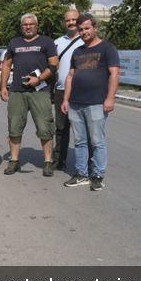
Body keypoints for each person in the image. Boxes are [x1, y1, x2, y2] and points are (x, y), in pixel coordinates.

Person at [61, 13, 120, 191]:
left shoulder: (107, 48)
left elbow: (114, 74)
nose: (84, 32)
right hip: (76, 103)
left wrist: (110, 98)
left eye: (87, 28)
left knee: (97, 141)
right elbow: (70, 76)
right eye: (81, 30)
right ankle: (82, 174)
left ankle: (98, 175)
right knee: (80, 141)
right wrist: (65, 99)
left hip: (96, 103)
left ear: (95, 28)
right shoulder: (77, 51)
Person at [0, 13, 59, 177]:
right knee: (14, 127)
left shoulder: (46, 42)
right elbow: (6, 65)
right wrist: (3, 86)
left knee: (44, 127)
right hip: (17, 91)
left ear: (36, 25)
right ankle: (14, 161)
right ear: (21, 27)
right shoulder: (14, 43)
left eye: (31, 24)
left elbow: (54, 65)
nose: (28, 27)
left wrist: (38, 79)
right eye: (25, 24)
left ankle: (47, 161)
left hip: (40, 90)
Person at [52, 9, 84, 171]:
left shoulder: (87, 40)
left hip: (81, 92)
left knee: (82, 130)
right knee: (61, 129)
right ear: (64, 22)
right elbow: (51, 66)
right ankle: (58, 160)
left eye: (74, 19)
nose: (71, 23)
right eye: (68, 20)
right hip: (61, 91)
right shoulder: (57, 42)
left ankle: (84, 164)